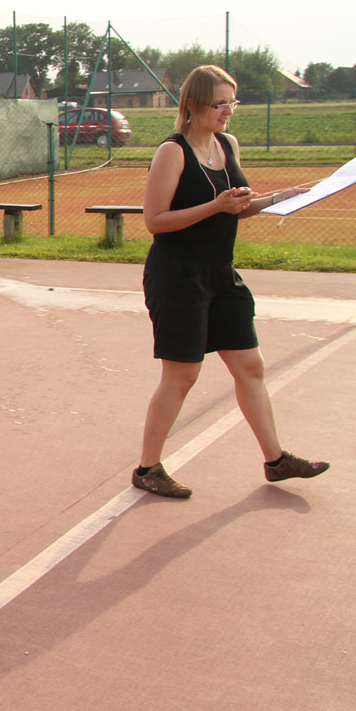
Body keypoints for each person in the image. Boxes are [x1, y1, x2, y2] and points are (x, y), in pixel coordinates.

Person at [133, 64, 328, 498]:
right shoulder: (172, 152)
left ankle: (276, 461)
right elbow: (155, 221)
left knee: (249, 366)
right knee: (182, 375)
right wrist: (214, 206)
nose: (227, 111)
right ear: (193, 104)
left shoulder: (228, 144)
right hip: (177, 276)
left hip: (221, 273)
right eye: (218, 104)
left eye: (231, 102)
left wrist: (277, 199)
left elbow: (237, 207)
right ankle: (148, 468)